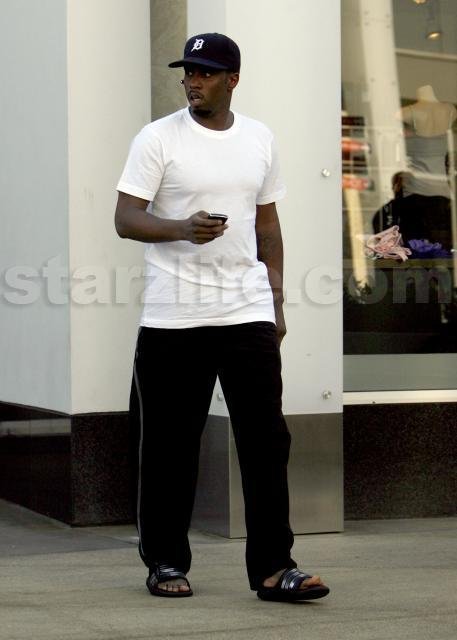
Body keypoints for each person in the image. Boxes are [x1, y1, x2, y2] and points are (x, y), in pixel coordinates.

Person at [115, 32, 329, 603]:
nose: (193, 81)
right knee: (170, 446)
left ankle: (274, 568)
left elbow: (268, 226)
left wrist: (276, 303)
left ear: (232, 79)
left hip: (246, 309)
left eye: (206, 72)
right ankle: (165, 560)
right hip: (174, 315)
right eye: (188, 71)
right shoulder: (158, 138)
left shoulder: (259, 138)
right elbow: (126, 218)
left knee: (267, 442)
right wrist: (181, 228)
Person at [397, 85, 456, 250]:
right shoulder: (450, 110)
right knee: (437, 245)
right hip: (440, 191)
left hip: (415, 192)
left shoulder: (407, 113)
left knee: (416, 245)